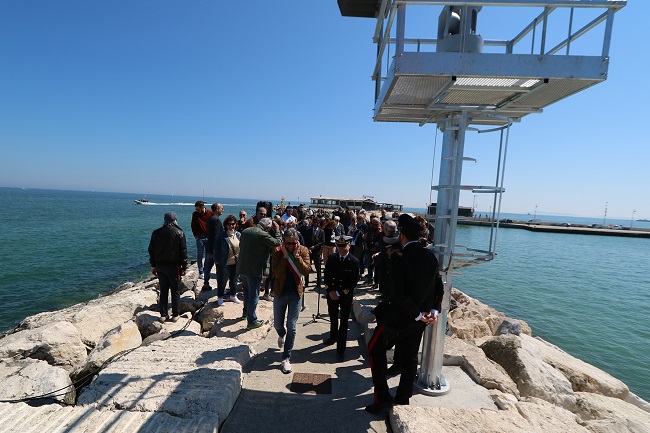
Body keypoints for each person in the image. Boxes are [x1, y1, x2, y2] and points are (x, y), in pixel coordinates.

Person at [365, 214, 444, 415]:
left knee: (375, 349)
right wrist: (433, 311)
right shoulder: (430, 257)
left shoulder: (399, 257)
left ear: (402, 236)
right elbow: (438, 287)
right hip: (421, 320)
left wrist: (417, 313)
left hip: (398, 319)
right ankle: (403, 399)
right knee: (410, 358)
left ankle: (382, 398)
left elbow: (396, 293)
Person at [271, 228, 311, 373]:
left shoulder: (303, 250)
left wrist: (296, 256)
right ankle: (282, 334)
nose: (291, 246)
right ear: (283, 242)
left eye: (294, 243)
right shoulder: (277, 251)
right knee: (278, 324)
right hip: (280, 293)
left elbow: (306, 271)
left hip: (296, 294)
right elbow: (276, 273)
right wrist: (285, 257)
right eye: (288, 243)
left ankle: (286, 358)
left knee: (292, 326)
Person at [237, 217, 282, 330]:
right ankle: (252, 321)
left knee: (246, 293)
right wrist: (277, 231)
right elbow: (278, 243)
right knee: (254, 296)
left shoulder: (245, 231)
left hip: (242, 267)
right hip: (254, 270)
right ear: (267, 228)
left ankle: (245, 314)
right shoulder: (263, 234)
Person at [323, 235, 360, 361]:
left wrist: (338, 293)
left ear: (349, 245)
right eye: (339, 246)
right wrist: (330, 291)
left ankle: (341, 350)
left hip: (345, 295)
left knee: (343, 322)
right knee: (333, 318)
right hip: (332, 294)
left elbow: (353, 282)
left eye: (343, 246)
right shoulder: (332, 258)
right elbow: (326, 276)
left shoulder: (354, 261)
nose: (341, 249)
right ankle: (333, 337)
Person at [148, 211, 188, 323]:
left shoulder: (156, 233)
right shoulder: (179, 233)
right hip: (174, 267)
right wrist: (184, 267)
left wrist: (153, 265)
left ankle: (163, 314)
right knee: (175, 290)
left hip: (160, 266)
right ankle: (175, 314)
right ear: (175, 220)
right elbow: (183, 252)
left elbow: (151, 250)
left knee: (163, 290)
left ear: (164, 220)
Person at [214, 215, 242, 306]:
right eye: (229, 224)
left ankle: (233, 295)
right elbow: (216, 249)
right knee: (222, 281)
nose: (231, 226)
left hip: (236, 262)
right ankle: (220, 297)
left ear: (236, 224)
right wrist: (217, 261)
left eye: (233, 224)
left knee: (234, 280)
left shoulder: (238, 235)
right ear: (226, 225)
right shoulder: (221, 236)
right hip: (225, 262)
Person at [203, 202, 224, 291]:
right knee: (219, 268)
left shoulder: (210, 218)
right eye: (222, 208)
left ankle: (206, 283)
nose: (223, 210)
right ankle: (220, 287)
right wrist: (215, 251)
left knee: (207, 267)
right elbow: (216, 237)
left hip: (210, 247)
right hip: (214, 249)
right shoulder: (216, 220)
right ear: (217, 209)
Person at [191, 201, 212, 279]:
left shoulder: (210, 213)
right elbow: (193, 225)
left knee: (208, 255)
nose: (197, 210)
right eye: (196, 209)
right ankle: (201, 271)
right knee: (199, 255)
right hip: (200, 237)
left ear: (202, 207)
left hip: (209, 237)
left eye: (198, 209)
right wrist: (195, 235)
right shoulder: (195, 214)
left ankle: (205, 270)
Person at [301, 217, 324, 288]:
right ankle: (306, 282)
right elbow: (305, 240)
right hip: (309, 251)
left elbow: (322, 241)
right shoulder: (308, 230)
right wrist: (308, 249)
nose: (315, 224)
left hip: (317, 252)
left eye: (317, 223)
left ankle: (318, 283)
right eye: (314, 222)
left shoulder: (321, 231)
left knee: (318, 268)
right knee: (307, 267)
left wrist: (315, 247)